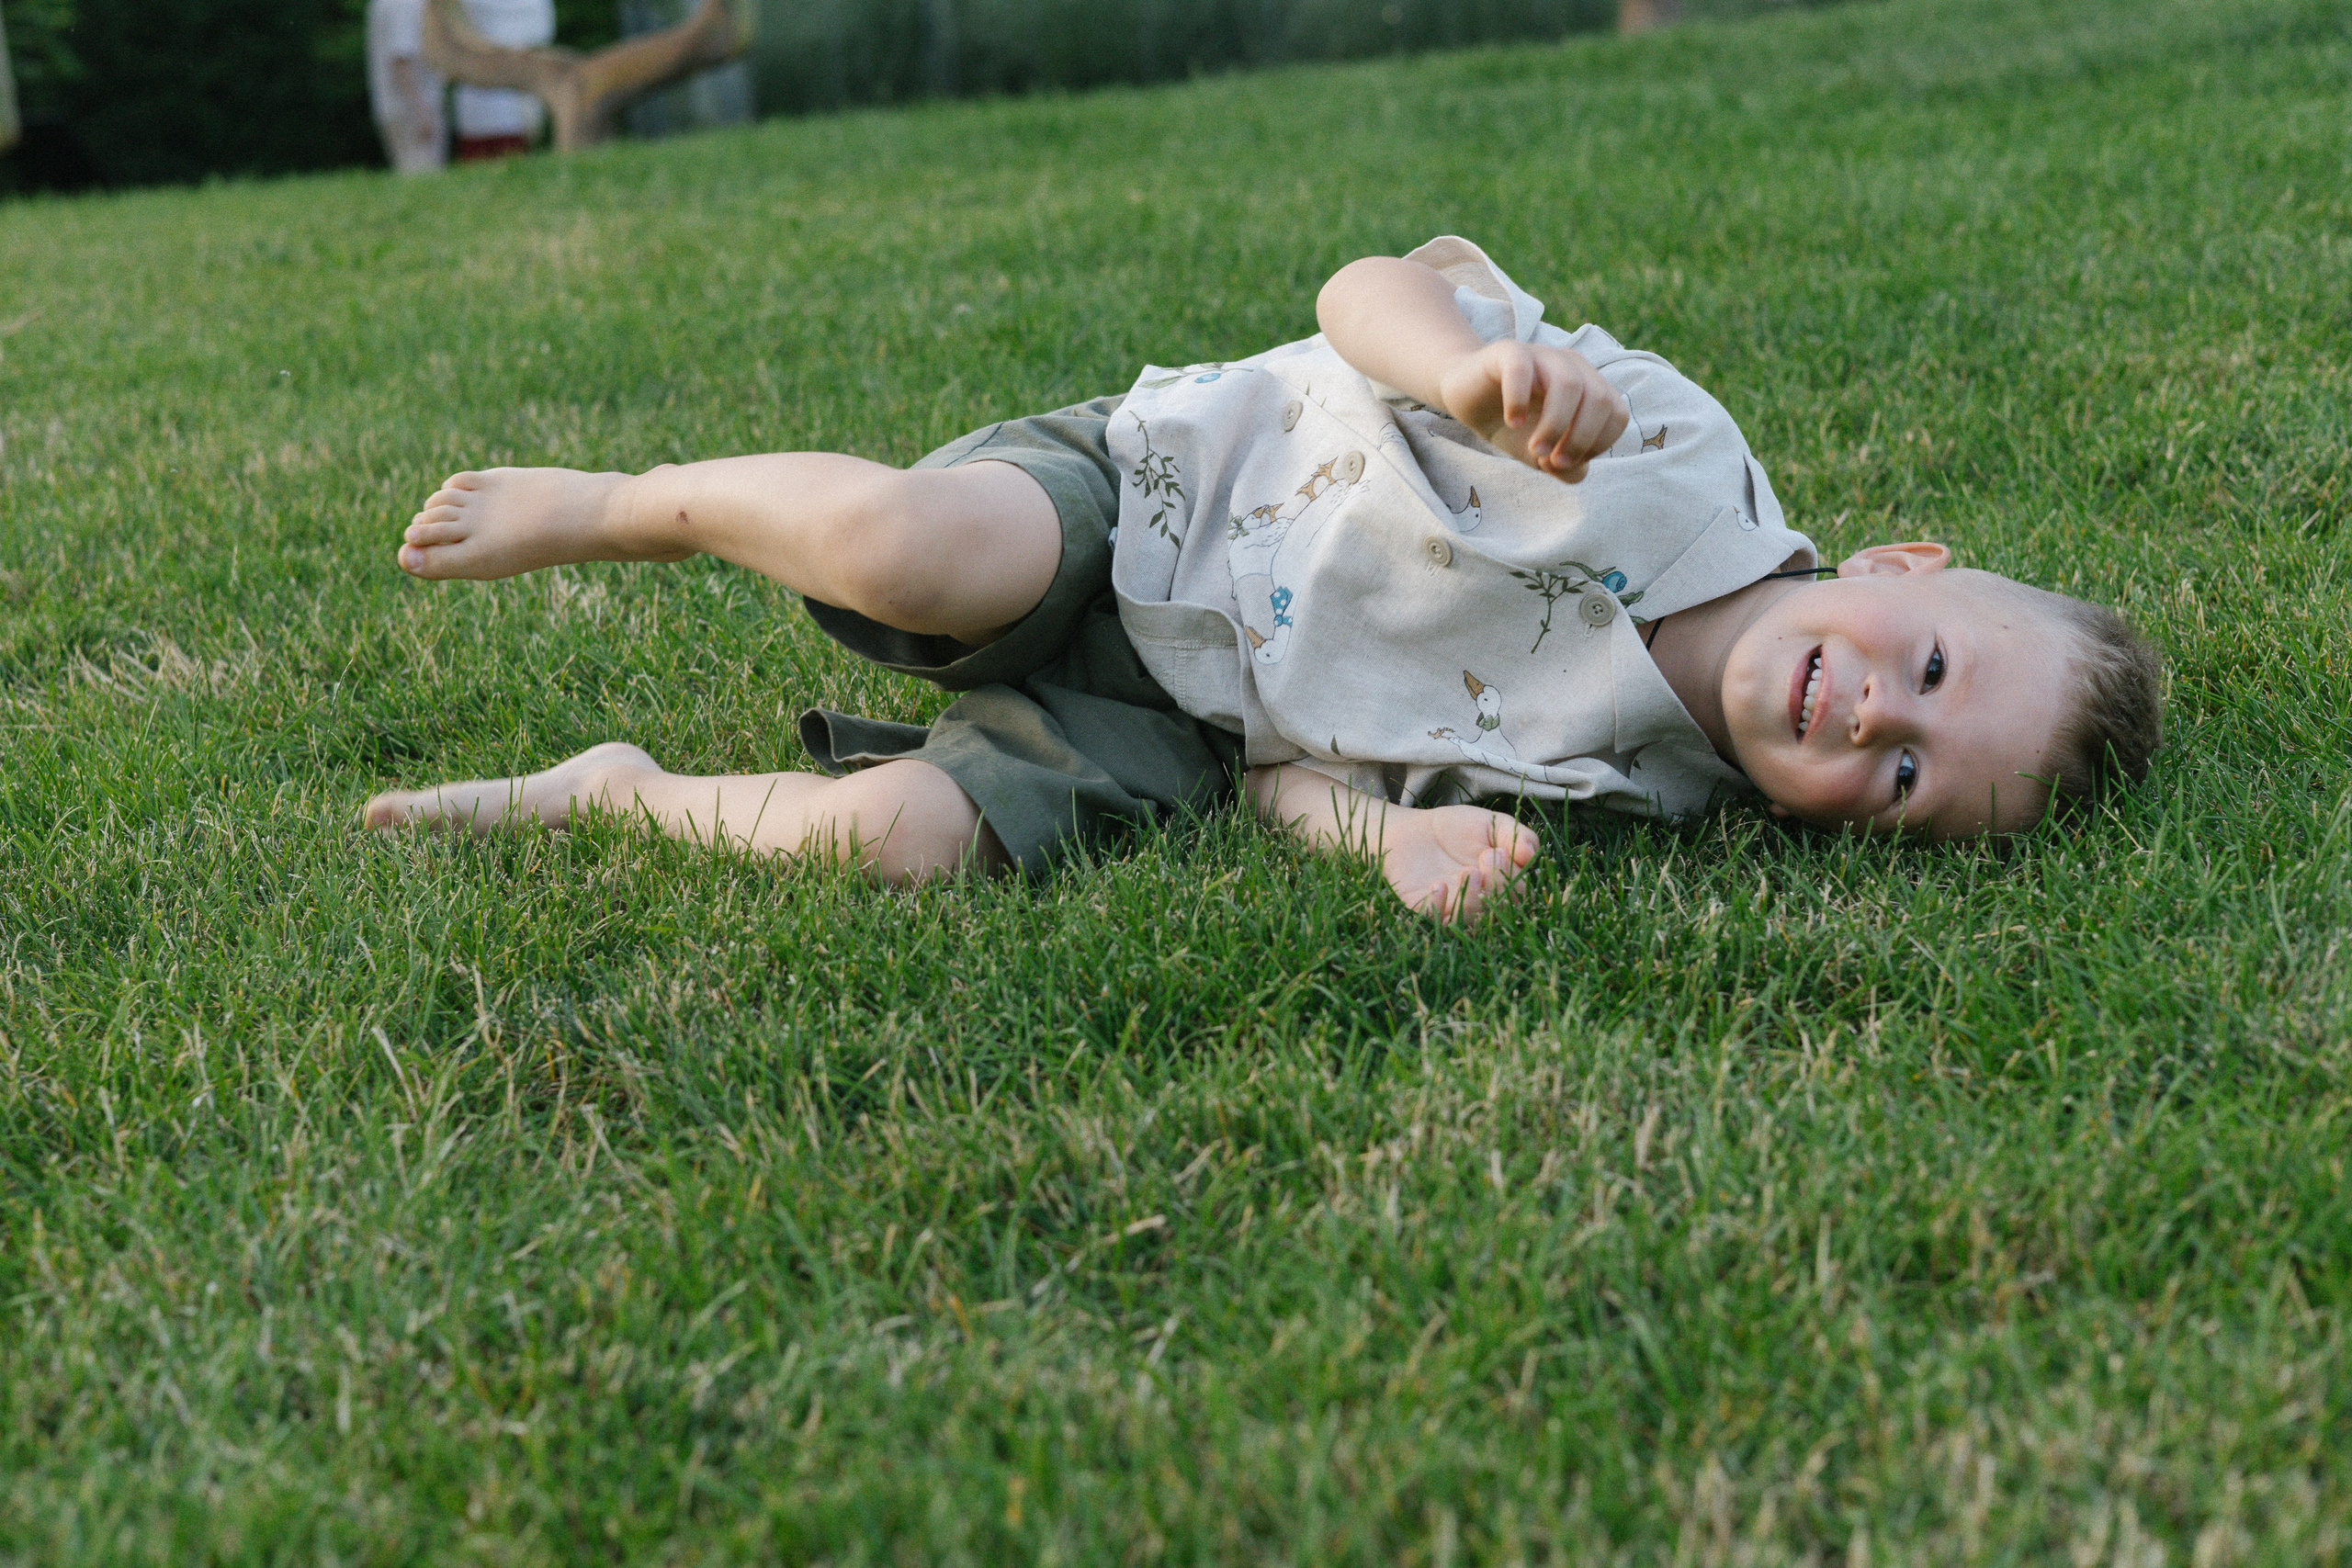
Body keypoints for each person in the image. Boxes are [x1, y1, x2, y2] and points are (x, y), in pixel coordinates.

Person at [365, 238, 2164, 922]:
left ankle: (621, 795)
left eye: (1903, 783)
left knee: (907, 848)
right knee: (901, 542)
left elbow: (1294, 781)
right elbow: (1367, 280)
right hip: (1165, 500)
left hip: (1183, 711)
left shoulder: (1640, 794)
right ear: (1898, 565)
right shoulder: (1657, 444)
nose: (1867, 716)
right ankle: (631, 498)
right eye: (1920, 665)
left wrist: (1388, 842)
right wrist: (1463, 372)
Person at [367, 0, 448, 175]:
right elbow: (401, 59)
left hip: (398, 106)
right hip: (410, 108)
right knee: (424, 178)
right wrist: (422, 111)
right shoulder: (404, 3)